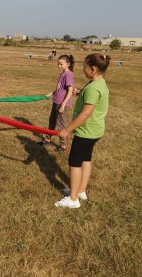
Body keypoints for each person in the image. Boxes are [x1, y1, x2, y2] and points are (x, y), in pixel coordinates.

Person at [54, 53, 110, 209]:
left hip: (86, 132)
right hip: (95, 131)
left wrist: (66, 130)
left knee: (75, 162)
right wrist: (80, 93)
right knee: (86, 159)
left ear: (93, 68)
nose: (83, 70)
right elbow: (92, 98)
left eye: (85, 67)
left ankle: (73, 199)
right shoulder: (99, 83)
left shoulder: (93, 88)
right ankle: (80, 191)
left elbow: (86, 113)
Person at [38, 54, 74, 151]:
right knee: (52, 121)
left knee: (60, 125)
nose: (59, 66)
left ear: (68, 64)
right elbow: (60, 88)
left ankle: (63, 145)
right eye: (58, 64)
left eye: (61, 64)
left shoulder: (68, 74)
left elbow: (70, 90)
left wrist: (63, 104)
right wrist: (51, 93)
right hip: (56, 101)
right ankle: (47, 139)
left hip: (62, 104)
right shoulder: (62, 73)